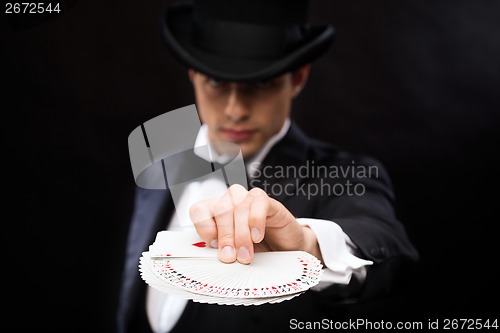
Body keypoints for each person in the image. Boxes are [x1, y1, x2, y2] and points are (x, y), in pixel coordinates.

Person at [117, 0, 419, 332]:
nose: (235, 109)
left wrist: (306, 246)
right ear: (193, 75)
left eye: (260, 84)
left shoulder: (346, 174)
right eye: (216, 83)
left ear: (298, 78)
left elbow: (388, 249)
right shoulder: (162, 163)